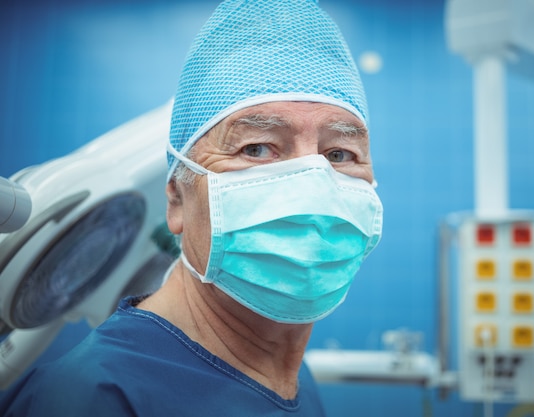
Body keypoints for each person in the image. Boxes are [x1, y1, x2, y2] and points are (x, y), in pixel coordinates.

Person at [0, 0, 383, 415]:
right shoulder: (91, 397)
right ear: (177, 200)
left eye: (341, 154)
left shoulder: (289, 373)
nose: (313, 184)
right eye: (256, 148)